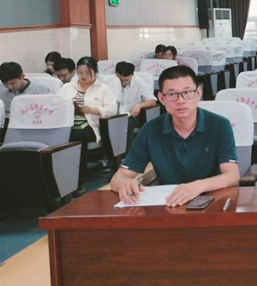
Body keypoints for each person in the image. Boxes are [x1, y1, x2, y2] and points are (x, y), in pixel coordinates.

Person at [110, 65, 240, 206]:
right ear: (161, 98)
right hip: (169, 204)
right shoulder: (150, 130)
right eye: (172, 94)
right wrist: (125, 184)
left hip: (213, 200)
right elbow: (118, 179)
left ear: (198, 93)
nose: (180, 101)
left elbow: (232, 175)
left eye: (187, 92)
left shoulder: (219, 125)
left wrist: (199, 186)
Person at [57, 57, 118, 191]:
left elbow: (112, 109)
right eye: (80, 72)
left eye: (87, 72)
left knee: (77, 138)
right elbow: (56, 104)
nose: (83, 76)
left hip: (90, 125)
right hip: (67, 123)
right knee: (56, 138)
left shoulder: (103, 89)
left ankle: (77, 182)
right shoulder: (68, 87)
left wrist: (91, 110)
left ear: (95, 72)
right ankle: (59, 182)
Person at [115, 61, 158, 149]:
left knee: (126, 123)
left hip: (132, 115)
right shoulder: (110, 82)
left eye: (126, 80)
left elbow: (152, 101)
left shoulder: (139, 82)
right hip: (114, 115)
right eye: (121, 80)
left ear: (132, 75)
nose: (123, 83)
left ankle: (128, 154)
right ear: (116, 74)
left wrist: (139, 106)